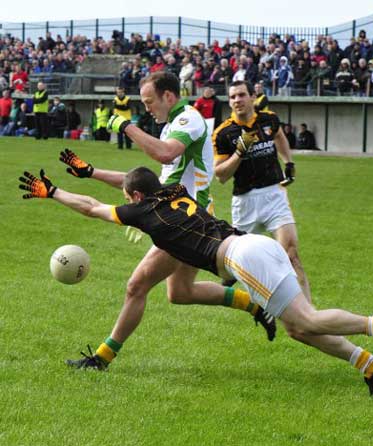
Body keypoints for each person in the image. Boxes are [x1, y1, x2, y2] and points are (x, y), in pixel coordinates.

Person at [19, 167, 373, 395]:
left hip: (241, 257)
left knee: (306, 319)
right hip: (253, 245)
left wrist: (53, 191)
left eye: (129, 199)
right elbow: (129, 181)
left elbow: (92, 207)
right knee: (297, 329)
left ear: (135, 200)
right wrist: (91, 172)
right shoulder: (174, 190)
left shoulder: (142, 211)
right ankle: (371, 367)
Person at [53, 71, 276, 369]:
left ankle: (101, 358)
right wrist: (91, 171)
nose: (146, 108)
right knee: (180, 293)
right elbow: (150, 183)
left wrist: (126, 126)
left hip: (185, 221)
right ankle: (253, 305)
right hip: (185, 216)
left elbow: (165, 153)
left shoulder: (189, 118)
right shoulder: (171, 125)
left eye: (149, 101)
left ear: (168, 96)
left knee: (136, 286)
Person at [213, 81, 311, 301]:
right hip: (246, 202)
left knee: (292, 255)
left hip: (274, 195)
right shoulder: (223, 133)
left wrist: (288, 162)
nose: (237, 100)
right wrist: (239, 152)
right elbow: (220, 176)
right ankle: (229, 287)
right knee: (233, 267)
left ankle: (309, 313)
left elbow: (279, 137)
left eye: (241, 95)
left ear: (251, 97)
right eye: (232, 97)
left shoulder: (269, 119)